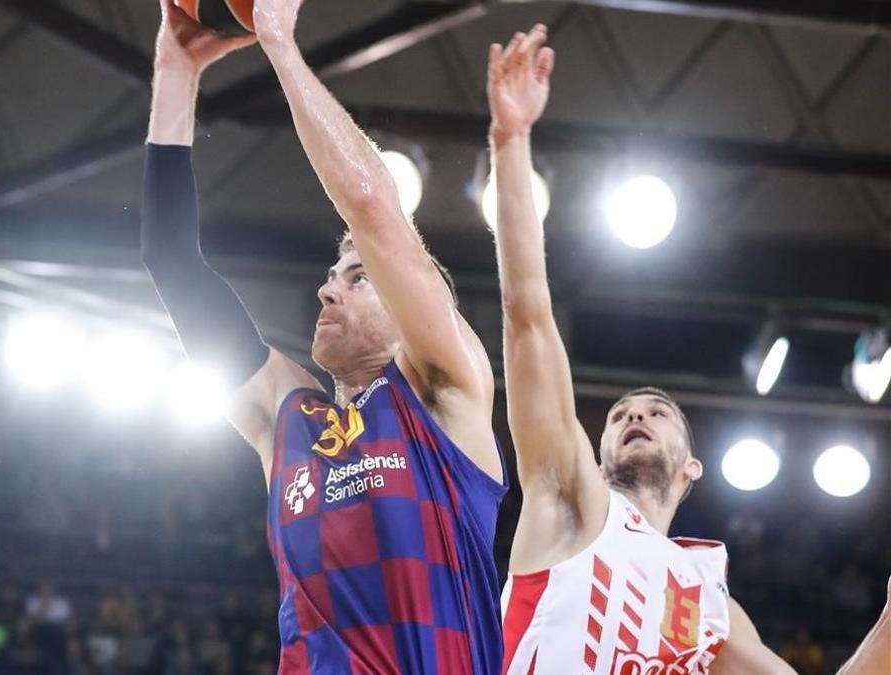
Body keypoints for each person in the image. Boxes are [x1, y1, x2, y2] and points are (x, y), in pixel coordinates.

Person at [487, 23, 891, 675]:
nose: (634, 415)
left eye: (656, 410)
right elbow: (528, 315)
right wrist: (511, 141)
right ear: (597, 448)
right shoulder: (566, 498)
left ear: (691, 467)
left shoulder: (708, 592)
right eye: (619, 415)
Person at [141, 0, 507, 670]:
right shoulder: (288, 415)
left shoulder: (444, 390)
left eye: (358, 275)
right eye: (332, 273)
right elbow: (172, 261)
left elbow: (371, 204)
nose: (327, 288)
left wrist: (280, 43)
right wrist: (174, 74)